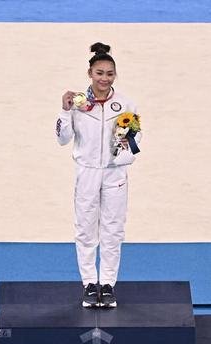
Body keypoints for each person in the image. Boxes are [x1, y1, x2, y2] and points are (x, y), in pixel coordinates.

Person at [56, 42, 141, 308]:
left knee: (113, 230)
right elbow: (62, 139)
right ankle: (89, 284)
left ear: (115, 75)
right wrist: (65, 110)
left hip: (115, 176)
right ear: (89, 73)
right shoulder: (78, 103)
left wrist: (121, 154)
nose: (104, 78)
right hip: (87, 173)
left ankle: (108, 284)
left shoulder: (125, 104)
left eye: (109, 73)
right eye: (99, 73)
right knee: (85, 229)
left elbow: (135, 141)